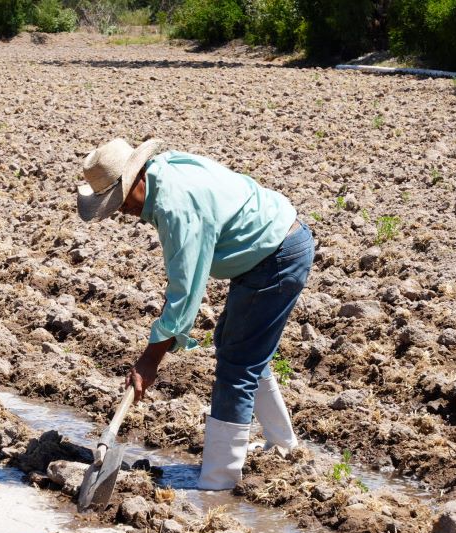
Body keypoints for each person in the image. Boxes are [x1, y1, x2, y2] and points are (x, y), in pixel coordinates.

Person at [76, 138, 314, 490]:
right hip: (267, 250)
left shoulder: (176, 208)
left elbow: (185, 294)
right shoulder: (165, 171)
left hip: (276, 256)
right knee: (240, 349)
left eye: (122, 201)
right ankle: (284, 445)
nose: (123, 212)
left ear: (137, 177)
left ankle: (218, 482)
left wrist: (149, 360)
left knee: (237, 367)